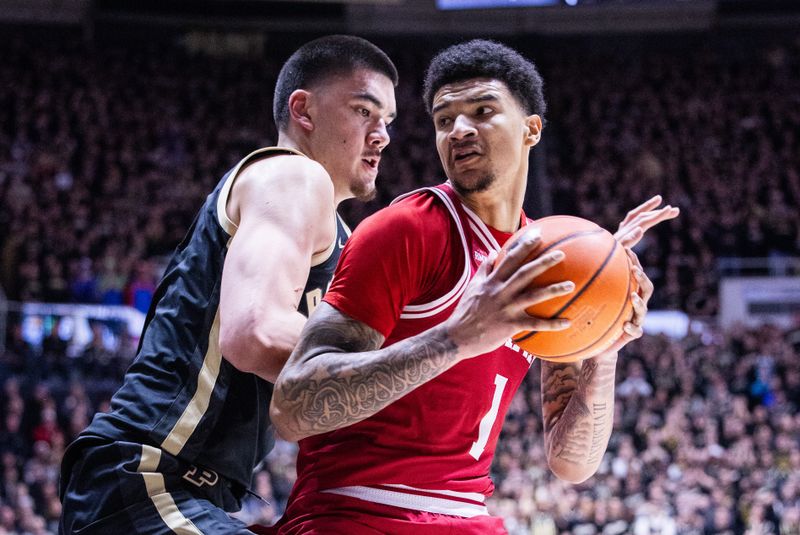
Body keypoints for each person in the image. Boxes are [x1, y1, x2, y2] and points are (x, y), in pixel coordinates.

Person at [268, 39, 679, 533]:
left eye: (482, 111)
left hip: (467, 516)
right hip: (355, 511)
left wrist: (604, 345)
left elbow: (573, 463)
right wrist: (457, 337)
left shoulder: (548, 263)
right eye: (444, 120)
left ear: (531, 129)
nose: (459, 130)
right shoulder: (407, 230)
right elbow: (292, 407)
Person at [58, 35, 398, 534]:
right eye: (364, 111)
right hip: (149, 477)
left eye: (387, 121)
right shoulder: (293, 177)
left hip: (186, 490)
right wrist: (407, 379)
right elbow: (255, 333)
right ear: (302, 110)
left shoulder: (339, 235)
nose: (382, 135)